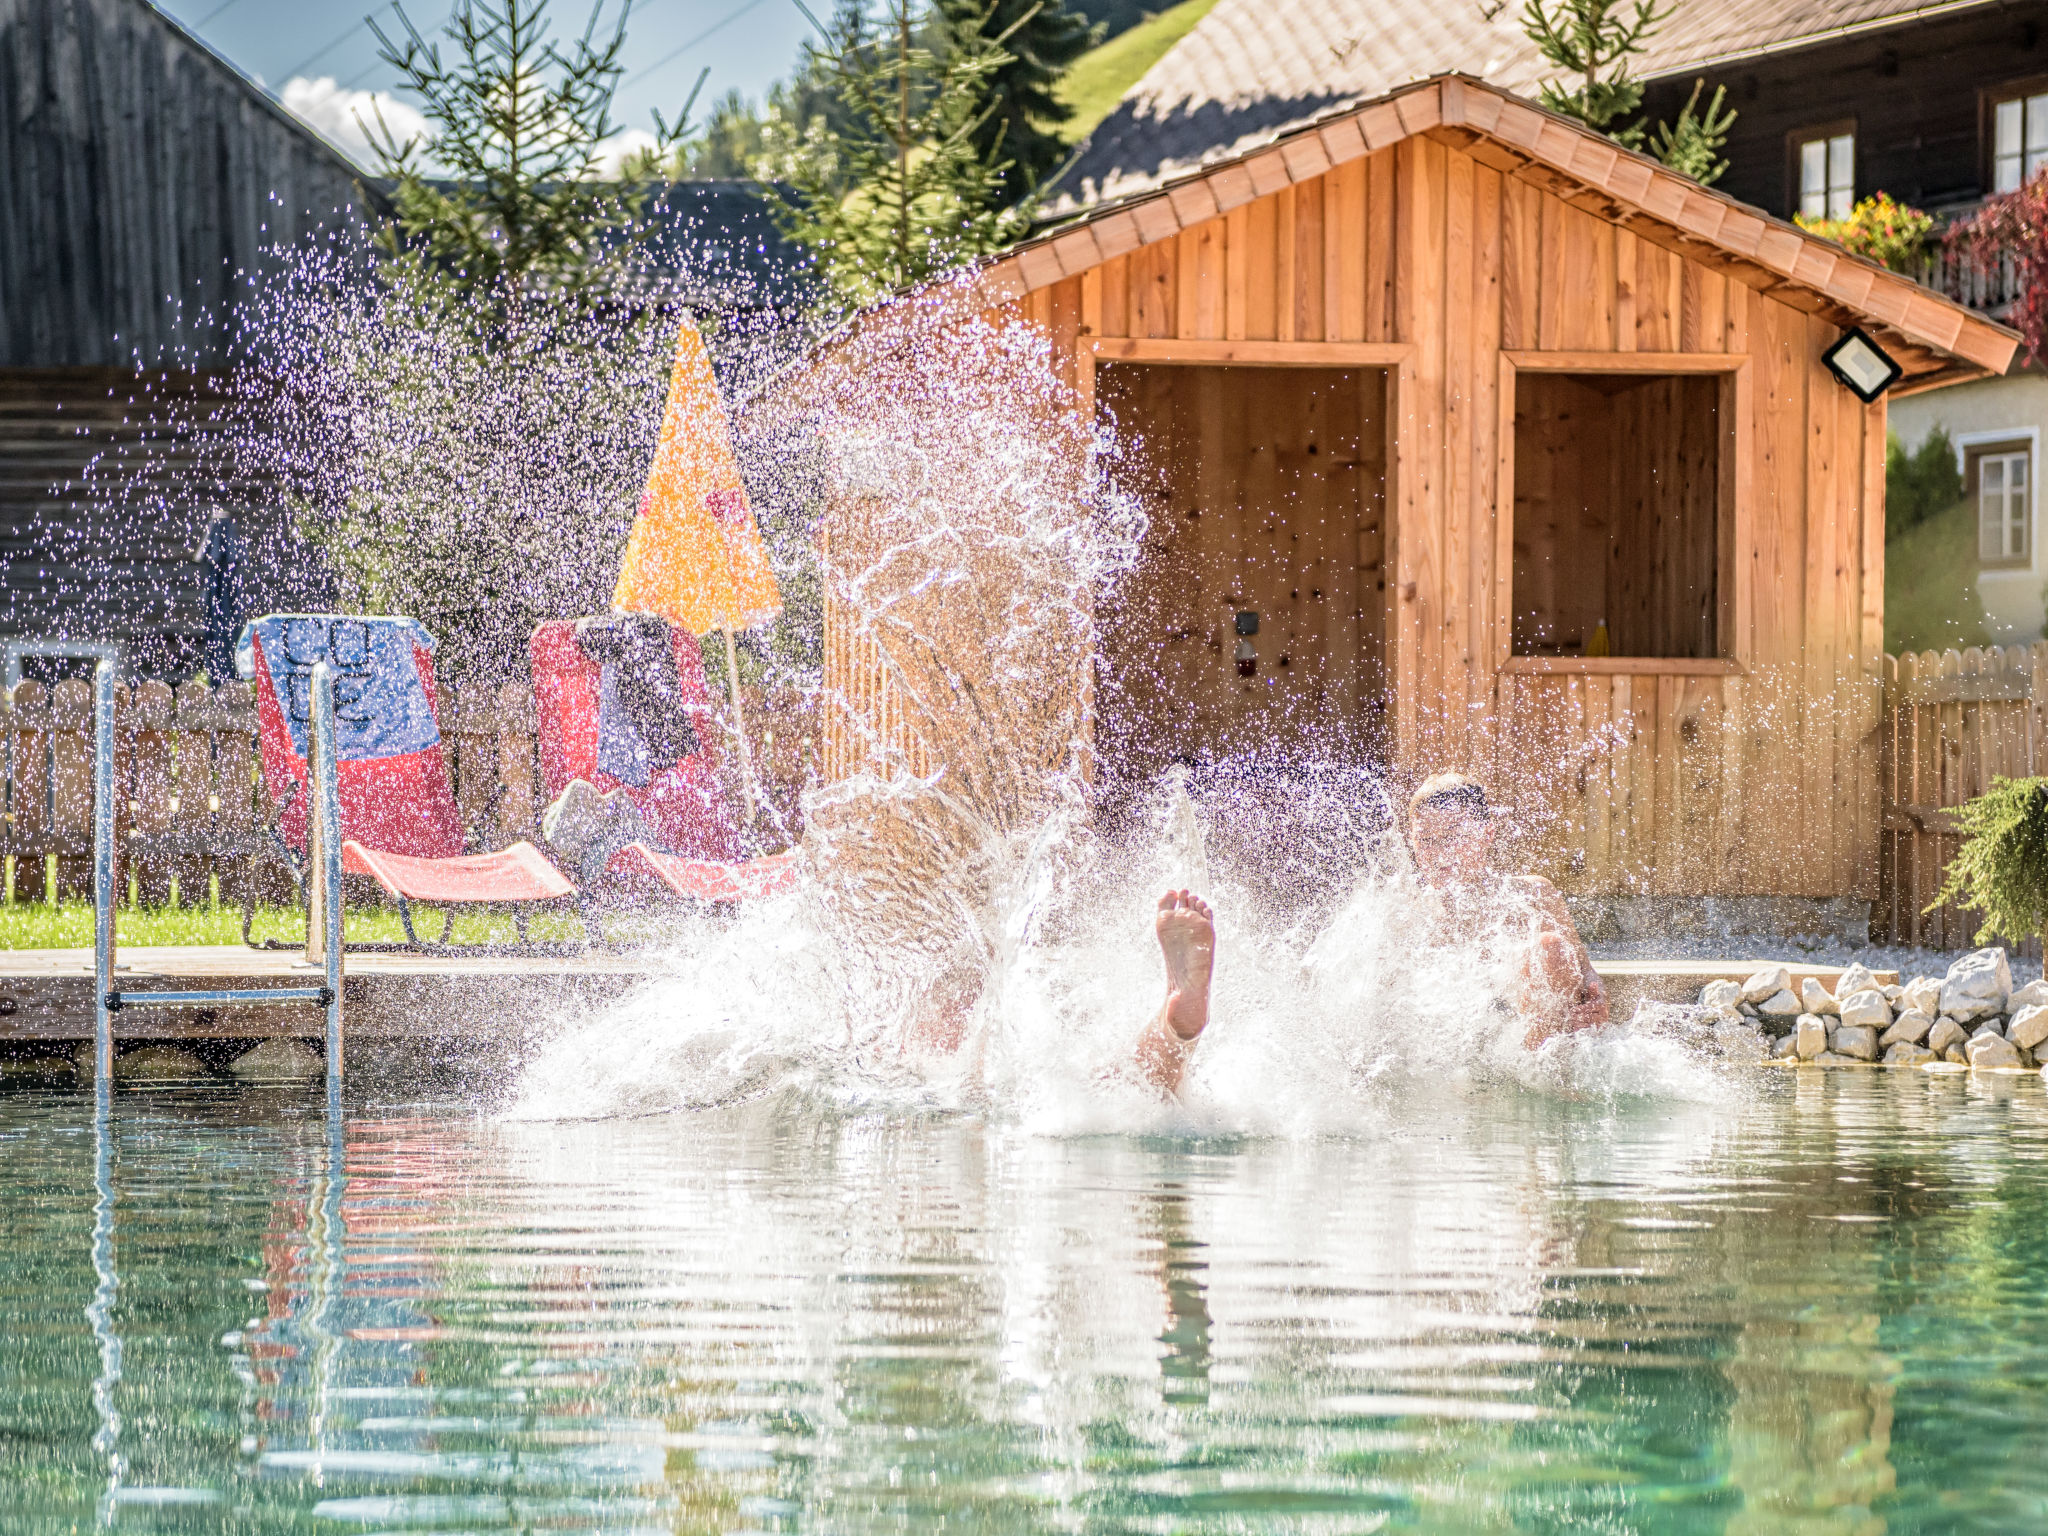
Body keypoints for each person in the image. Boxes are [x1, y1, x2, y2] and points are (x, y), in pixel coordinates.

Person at [1134, 772, 1609, 1094]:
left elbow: (1582, 969)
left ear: (1485, 835)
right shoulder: (1399, 905)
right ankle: (1203, 1017)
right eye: (1426, 841)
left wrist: (1593, 987)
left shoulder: (1530, 893)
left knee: (1549, 948)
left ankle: (1545, 1080)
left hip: (1516, 1033)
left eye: (1454, 838)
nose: (1438, 853)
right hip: (1437, 1046)